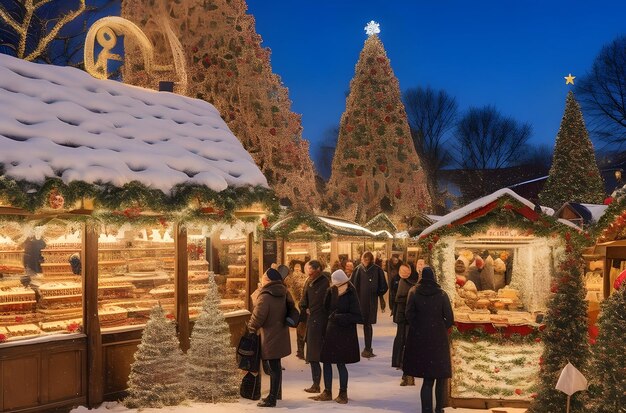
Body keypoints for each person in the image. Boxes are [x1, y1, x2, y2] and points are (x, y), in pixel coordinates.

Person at [403, 267, 454, 413]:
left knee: (427, 379)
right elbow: (449, 318)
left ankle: (426, 410)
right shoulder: (442, 294)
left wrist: (419, 327)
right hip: (438, 340)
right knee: (440, 377)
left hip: (421, 340)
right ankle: (439, 409)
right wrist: (439, 327)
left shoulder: (413, 292)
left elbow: (409, 314)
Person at [311, 269, 362, 404]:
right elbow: (325, 308)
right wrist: (329, 320)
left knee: (340, 363)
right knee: (326, 361)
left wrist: (340, 317)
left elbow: (357, 315)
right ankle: (327, 391)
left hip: (345, 333)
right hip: (331, 331)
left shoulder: (351, 292)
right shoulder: (331, 291)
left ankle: (343, 392)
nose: (337, 286)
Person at [247, 268, 293, 408]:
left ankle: (272, 398)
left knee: (272, 367)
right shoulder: (284, 292)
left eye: (263, 277)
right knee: (276, 366)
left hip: (269, 335)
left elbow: (258, 316)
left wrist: (251, 328)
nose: (261, 279)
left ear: (268, 280)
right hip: (280, 332)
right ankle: (276, 393)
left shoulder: (265, 295)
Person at [299, 260, 330, 394]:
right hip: (313, 321)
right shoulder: (311, 281)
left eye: (309, 269)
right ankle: (316, 384)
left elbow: (325, 303)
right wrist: (304, 308)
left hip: (318, 322)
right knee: (313, 355)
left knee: (314, 355)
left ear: (316, 269)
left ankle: (317, 385)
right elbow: (304, 301)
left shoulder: (322, 282)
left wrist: (307, 308)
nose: (307, 271)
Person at [351, 251, 388, 358]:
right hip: (360, 301)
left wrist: (377, 293)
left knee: (367, 324)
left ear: (371, 260)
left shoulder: (377, 270)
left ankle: (367, 348)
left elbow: (384, 286)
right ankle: (362, 348)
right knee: (361, 324)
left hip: (370, 302)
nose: (365, 262)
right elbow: (352, 284)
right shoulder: (358, 269)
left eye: (367, 260)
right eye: (364, 259)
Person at [392, 263, 418, 385]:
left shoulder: (413, 282)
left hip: (408, 317)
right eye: (402, 271)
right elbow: (396, 298)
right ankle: (406, 371)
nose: (404, 273)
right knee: (404, 342)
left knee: (406, 342)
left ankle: (406, 371)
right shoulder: (401, 281)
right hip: (404, 317)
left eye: (406, 271)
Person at [285, 263, 308, 359]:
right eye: (296, 268)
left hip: (299, 306)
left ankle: (301, 352)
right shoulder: (304, 277)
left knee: (301, 329)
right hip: (300, 306)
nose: (297, 270)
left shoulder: (291, 279)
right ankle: (302, 351)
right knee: (302, 329)